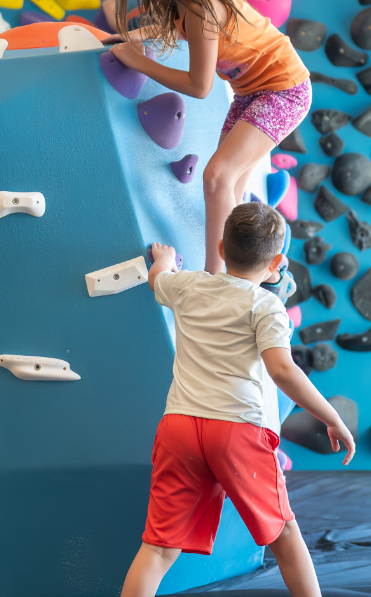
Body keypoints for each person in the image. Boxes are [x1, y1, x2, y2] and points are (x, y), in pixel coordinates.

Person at [122, 202, 355, 597]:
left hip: (179, 426)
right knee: (283, 532)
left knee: (159, 549)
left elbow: (158, 278)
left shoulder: (188, 285)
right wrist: (331, 416)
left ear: (222, 248)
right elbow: (283, 370)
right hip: (237, 431)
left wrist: (161, 258)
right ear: (278, 261)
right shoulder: (266, 306)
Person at [104, 0, 311, 276]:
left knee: (216, 178)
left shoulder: (201, 3)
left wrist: (139, 62)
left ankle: (218, 282)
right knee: (232, 192)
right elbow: (169, 27)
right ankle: (253, 272)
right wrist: (132, 40)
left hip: (284, 89)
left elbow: (200, 87)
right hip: (252, 91)